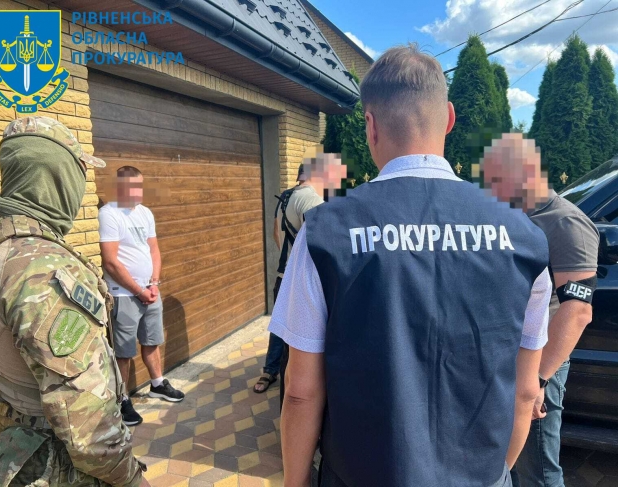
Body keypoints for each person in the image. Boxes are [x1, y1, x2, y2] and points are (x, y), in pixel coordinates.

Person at [269, 45, 552, 487]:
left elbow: (301, 390)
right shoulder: (525, 238)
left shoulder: (326, 231)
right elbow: (525, 391)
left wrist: (296, 481)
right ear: (449, 119)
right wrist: (497, 475)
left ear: (370, 124)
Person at [0, 116, 148, 486]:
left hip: (15, 442)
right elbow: (90, 430)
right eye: (80, 173)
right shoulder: (42, 269)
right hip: (57, 467)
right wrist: (132, 479)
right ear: (59, 175)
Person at [480, 134, 599, 487]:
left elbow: (577, 311)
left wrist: (538, 380)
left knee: (538, 471)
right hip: (504, 353)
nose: (490, 187)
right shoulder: (513, 216)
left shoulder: (565, 222)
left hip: (538, 361)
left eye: (496, 177)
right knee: (507, 459)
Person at [99, 166, 184, 426]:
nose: (137, 192)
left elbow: (154, 250)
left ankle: (157, 383)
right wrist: (139, 290)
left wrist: (154, 283)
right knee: (123, 351)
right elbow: (110, 262)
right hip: (124, 294)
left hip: (150, 291)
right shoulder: (109, 214)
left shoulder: (145, 212)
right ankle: (122, 399)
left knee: (151, 340)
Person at [254, 160, 326, 395]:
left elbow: (277, 233)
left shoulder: (285, 197)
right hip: (303, 279)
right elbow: (319, 240)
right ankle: (296, 387)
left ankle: (269, 370)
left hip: (283, 275)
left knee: (281, 326)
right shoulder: (311, 199)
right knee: (301, 337)